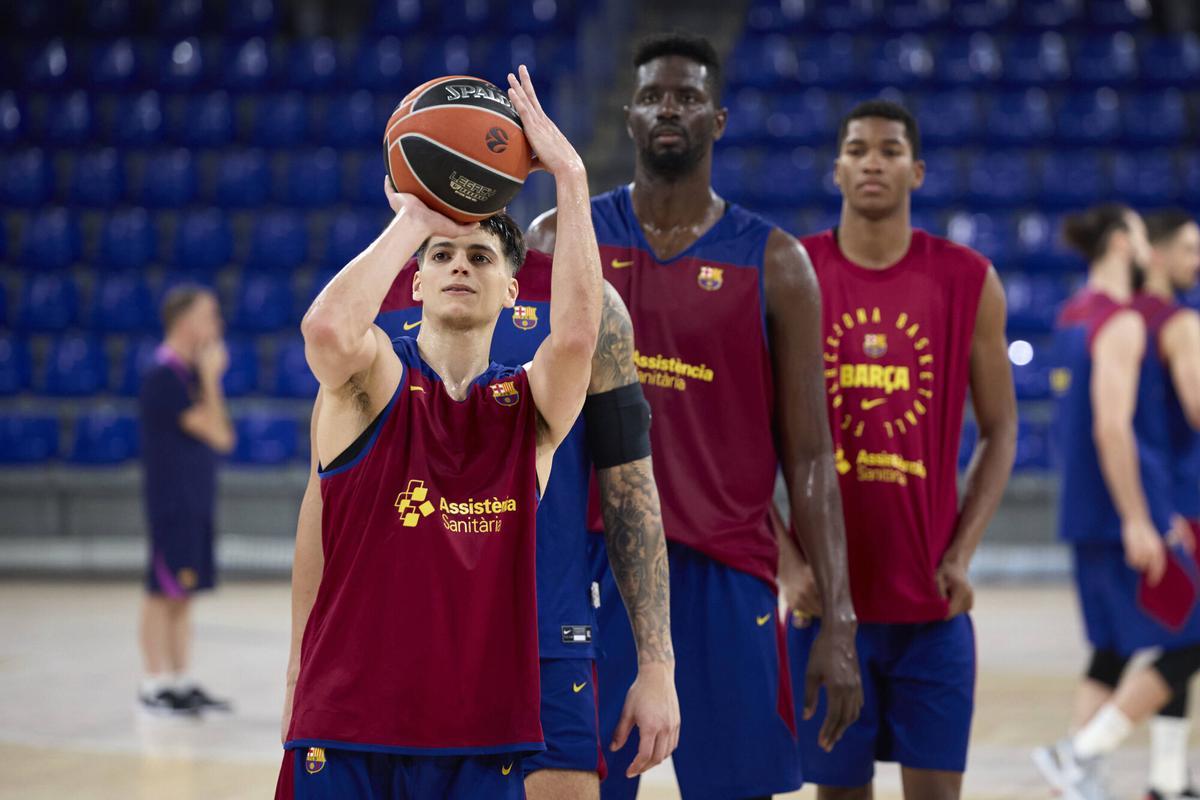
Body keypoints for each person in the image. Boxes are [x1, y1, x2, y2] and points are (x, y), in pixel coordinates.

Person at [528, 32, 862, 800]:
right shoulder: (557, 243)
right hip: (590, 562)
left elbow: (811, 456)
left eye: (686, 96)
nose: (668, 108)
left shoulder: (777, 262)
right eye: (652, 96)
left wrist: (837, 621)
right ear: (629, 117)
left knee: (738, 790)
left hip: (726, 569)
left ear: (719, 119)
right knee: (579, 787)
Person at [275, 67, 603, 799]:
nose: (460, 265)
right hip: (350, 724)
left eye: (480, 256)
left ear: (512, 291)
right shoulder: (374, 385)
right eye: (443, 258)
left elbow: (580, 337)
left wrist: (572, 179)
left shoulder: (528, 414)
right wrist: (417, 220)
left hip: (479, 734)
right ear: (413, 282)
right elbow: (326, 329)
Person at [372, 249, 681, 800]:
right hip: (406, 638)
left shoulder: (587, 302)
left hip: (548, 633)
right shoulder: (376, 290)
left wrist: (657, 664)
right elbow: (329, 494)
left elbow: (631, 490)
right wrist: (305, 664)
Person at [785, 100, 1018, 800]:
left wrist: (962, 553)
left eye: (888, 150)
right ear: (837, 169)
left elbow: (1002, 428)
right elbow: (749, 438)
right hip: (827, 607)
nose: (872, 162)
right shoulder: (793, 272)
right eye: (857, 150)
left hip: (931, 610)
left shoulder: (969, 279)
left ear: (915, 170)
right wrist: (785, 560)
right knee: (838, 795)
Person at [1033, 205, 1200, 800]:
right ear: (1128, 246)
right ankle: (1077, 754)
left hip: (1087, 510)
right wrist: (1140, 518)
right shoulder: (1126, 321)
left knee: (1112, 650)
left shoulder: (1072, 314)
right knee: (1188, 636)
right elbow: (1111, 428)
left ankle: (1124, 780)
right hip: (1127, 511)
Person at [1127, 210, 1200, 800]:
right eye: (1188, 249)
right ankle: (1084, 749)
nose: (1196, 262)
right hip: (1190, 497)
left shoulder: (1123, 320)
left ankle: (1168, 778)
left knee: (1181, 635)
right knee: (1189, 640)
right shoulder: (1178, 322)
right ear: (1155, 253)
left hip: (1159, 495)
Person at [137, 285, 236, 716]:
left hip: (193, 498)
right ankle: (154, 684)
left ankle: (179, 679)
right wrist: (212, 380)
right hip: (171, 501)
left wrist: (207, 379)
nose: (217, 325)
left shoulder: (186, 375)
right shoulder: (164, 376)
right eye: (209, 315)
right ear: (185, 322)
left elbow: (223, 437)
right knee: (162, 590)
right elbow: (218, 433)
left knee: (183, 591)